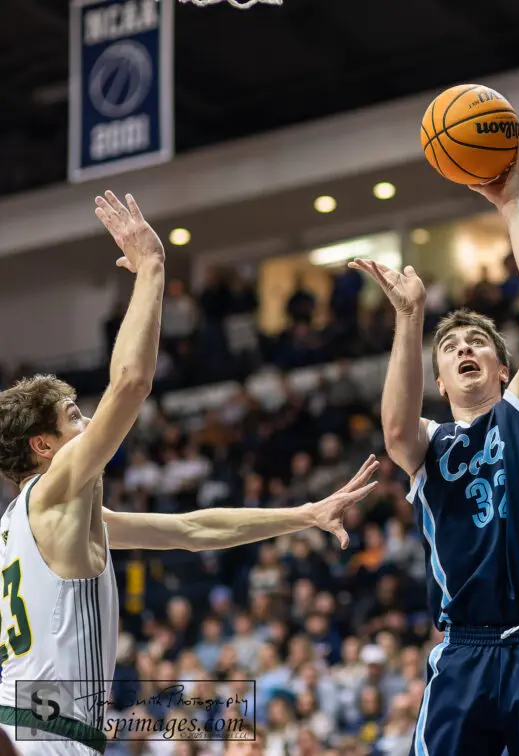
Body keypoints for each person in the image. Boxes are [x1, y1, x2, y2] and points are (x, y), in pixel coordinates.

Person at [0, 193, 380, 755]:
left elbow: (191, 530)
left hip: (34, 721)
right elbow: (130, 384)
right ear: (42, 446)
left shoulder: (34, 521)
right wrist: (152, 267)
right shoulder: (52, 491)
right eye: (74, 417)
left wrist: (304, 514)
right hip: (45, 731)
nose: (89, 425)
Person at [351, 133, 519, 755]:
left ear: (504, 367)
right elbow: (396, 432)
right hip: (465, 649)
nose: (464, 349)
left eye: (477, 343)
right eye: (451, 347)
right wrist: (410, 319)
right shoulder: (428, 445)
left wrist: (509, 202)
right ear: (438, 380)